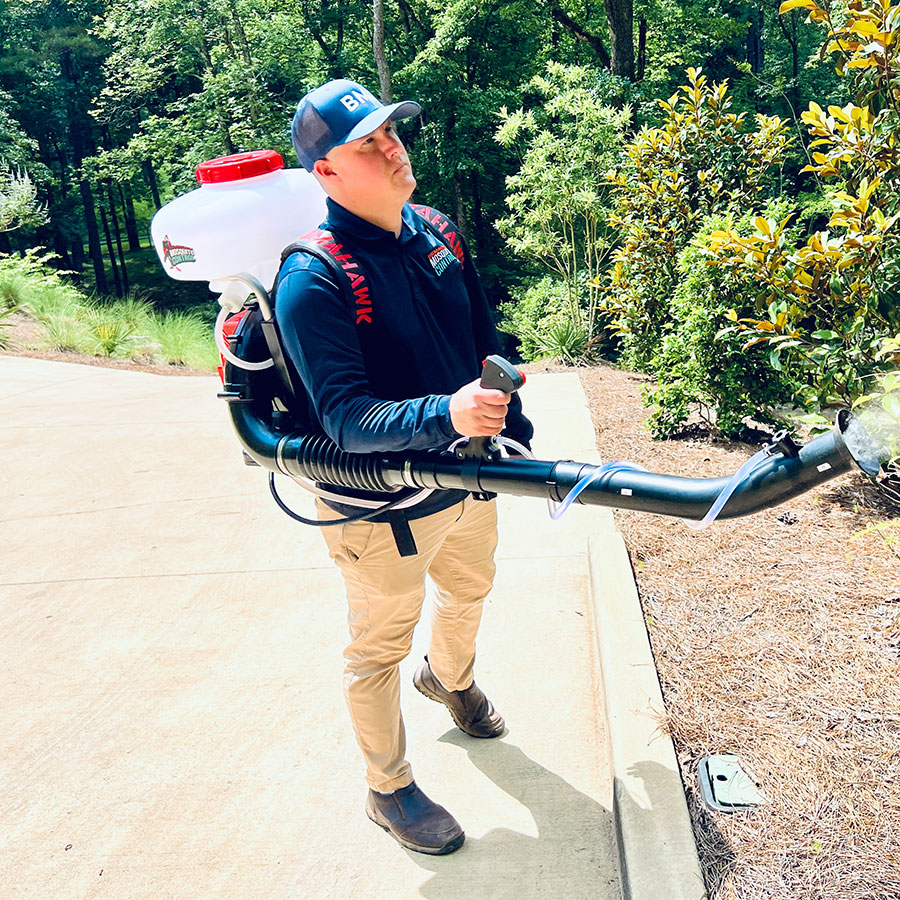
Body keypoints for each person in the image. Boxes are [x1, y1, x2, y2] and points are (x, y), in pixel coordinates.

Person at [276, 79, 533, 855]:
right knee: (378, 646)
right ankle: (387, 789)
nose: (393, 149)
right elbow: (347, 422)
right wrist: (447, 415)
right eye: (368, 144)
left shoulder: (438, 233)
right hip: (377, 508)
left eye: (393, 133)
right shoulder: (312, 278)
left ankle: (448, 679)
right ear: (326, 173)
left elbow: (483, 339)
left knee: (470, 589)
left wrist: (511, 426)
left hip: (473, 476)